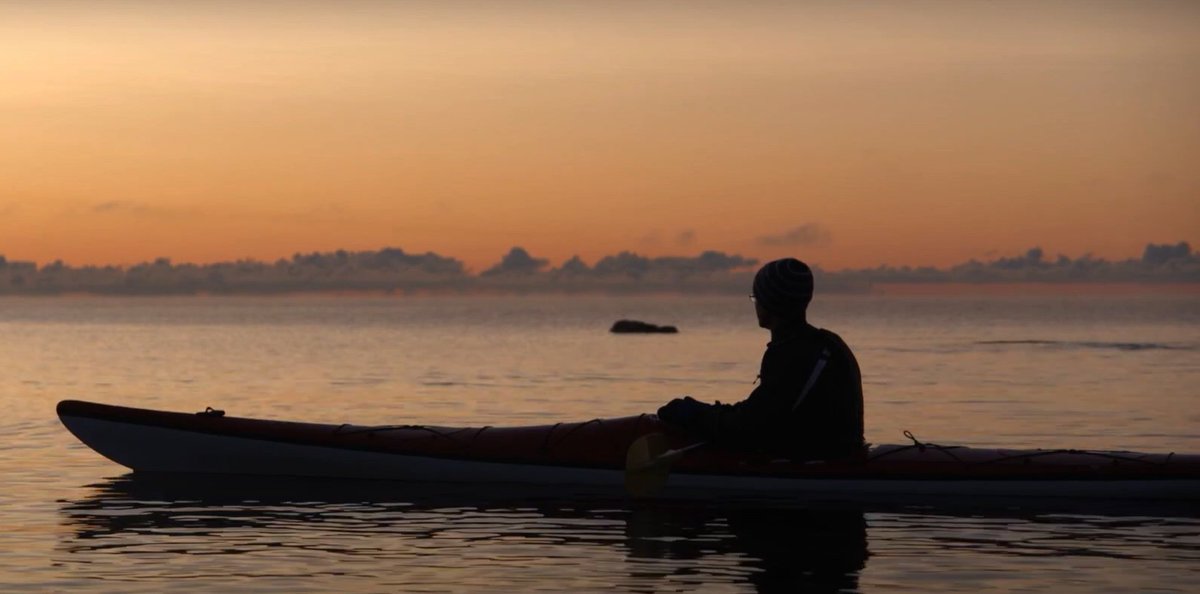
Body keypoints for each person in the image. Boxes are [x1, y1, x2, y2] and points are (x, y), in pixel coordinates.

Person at [657, 258, 864, 461]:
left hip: (819, 461)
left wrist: (695, 414)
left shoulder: (801, 353)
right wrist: (707, 412)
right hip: (816, 453)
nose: (755, 304)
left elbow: (750, 427)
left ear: (770, 303)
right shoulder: (822, 343)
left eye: (756, 298)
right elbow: (762, 411)